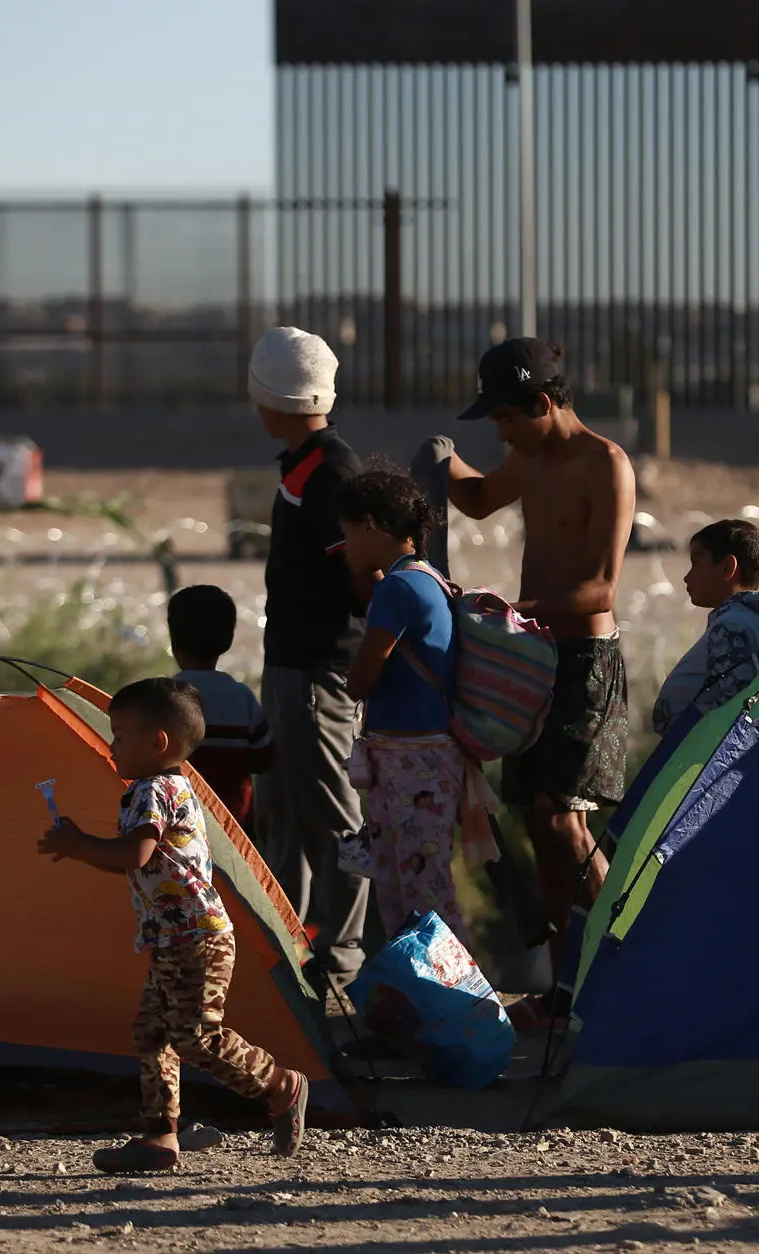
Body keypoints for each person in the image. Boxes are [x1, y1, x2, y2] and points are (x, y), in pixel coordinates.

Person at [36, 678, 309, 1173]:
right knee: (152, 1034)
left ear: (157, 742)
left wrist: (79, 845)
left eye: (119, 735)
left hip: (195, 938)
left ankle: (280, 1084)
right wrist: (85, 849)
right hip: (171, 938)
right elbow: (137, 862)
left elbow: (134, 853)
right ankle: (160, 1138)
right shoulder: (169, 786)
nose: (112, 744)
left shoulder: (150, 790)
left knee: (194, 1037)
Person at [443, 338, 635, 964]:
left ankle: (622, 957)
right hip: (537, 661)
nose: (500, 435)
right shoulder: (527, 460)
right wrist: (440, 463)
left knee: (562, 822)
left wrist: (516, 613)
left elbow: (601, 588)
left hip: (585, 660)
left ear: (545, 402)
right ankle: (563, 983)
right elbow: (476, 500)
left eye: (505, 418)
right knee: (536, 824)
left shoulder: (605, 463)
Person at [249, 326, 371, 986]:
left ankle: (343, 955)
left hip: (319, 671)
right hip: (293, 667)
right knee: (284, 811)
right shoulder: (305, 466)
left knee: (334, 814)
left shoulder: (330, 473)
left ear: (269, 398)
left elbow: (356, 571)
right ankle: (288, 944)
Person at [336, 465, 477, 948]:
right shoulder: (423, 577)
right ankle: (415, 1001)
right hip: (419, 754)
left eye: (349, 534)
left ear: (371, 525)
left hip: (409, 758)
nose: (347, 546)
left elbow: (363, 677)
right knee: (406, 878)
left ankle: (454, 999)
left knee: (419, 887)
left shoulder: (397, 589)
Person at [652, 519, 759, 733]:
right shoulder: (749, 619)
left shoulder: (734, 626)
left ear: (727, 568)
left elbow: (729, 706)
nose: (687, 577)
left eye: (696, 563)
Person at [168, 585, 275, 833]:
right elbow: (264, 758)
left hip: (179, 821)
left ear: (174, 641)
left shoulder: (164, 699)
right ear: (228, 641)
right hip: (234, 823)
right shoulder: (241, 696)